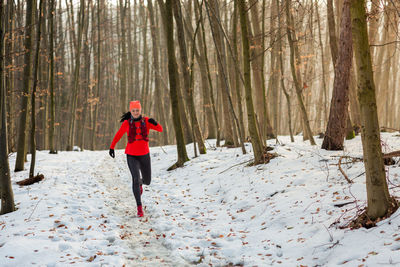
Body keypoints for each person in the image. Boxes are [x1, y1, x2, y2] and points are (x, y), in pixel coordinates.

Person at [109, 100, 163, 217]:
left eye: (137, 110)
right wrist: (112, 147)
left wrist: (155, 122)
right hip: (131, 155)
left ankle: (140, 184)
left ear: (140, 110)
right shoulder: (127, 123)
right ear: (130, 111)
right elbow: (118, 134)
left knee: (147, 181)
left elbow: (160, 129)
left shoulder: (147, 121)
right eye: (133, 110)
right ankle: (139, 208)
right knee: (135, 178)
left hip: (144, 155)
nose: (135, 112)